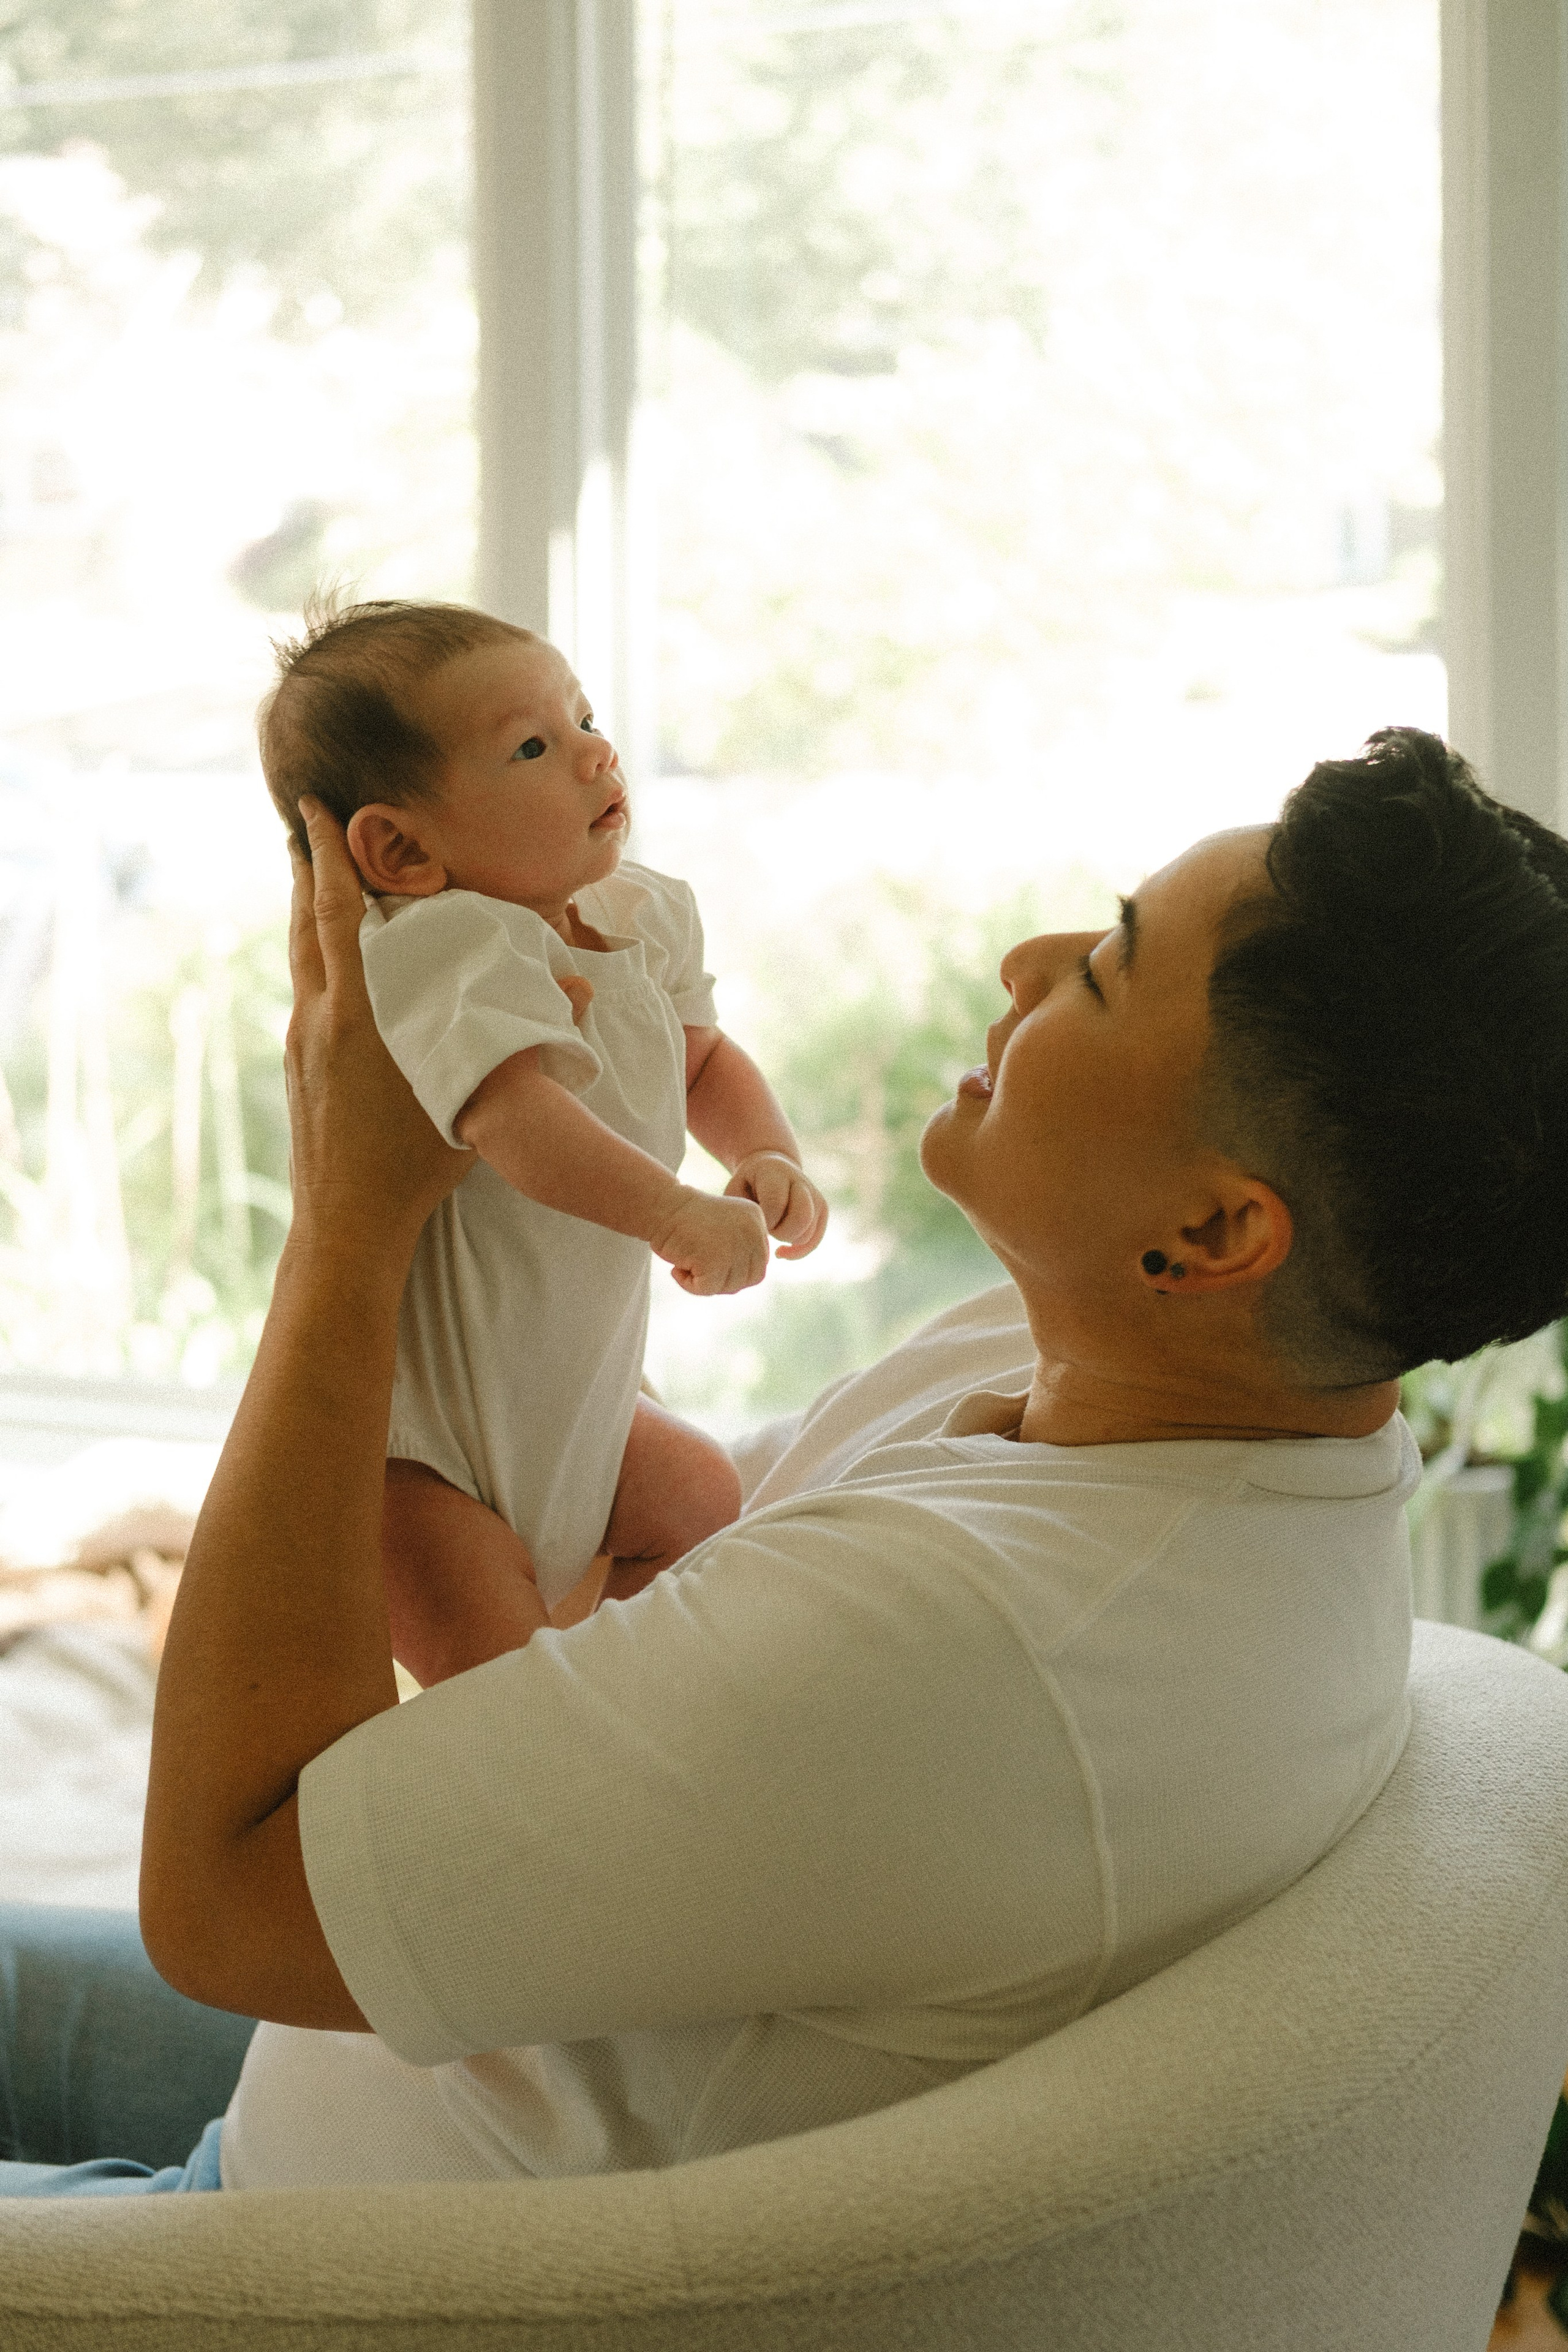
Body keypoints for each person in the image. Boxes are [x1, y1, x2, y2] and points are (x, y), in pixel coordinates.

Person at [4, 727, 1567, 2196]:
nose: (1024, 963)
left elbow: (225, 1902)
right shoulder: (1143, 1395)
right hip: (428, 2057)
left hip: (289, 2238)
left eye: (1100, 969)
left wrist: (354, 1221)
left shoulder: (977, 1649)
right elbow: (638, 1546)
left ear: (1213, 1233)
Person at [258, 598, 829, 1679]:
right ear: (402, 848)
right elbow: (516, 1120)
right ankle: (545, 1738)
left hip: (581, 1404)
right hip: (425, 1457)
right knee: (501, 1686)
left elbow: (704, 1058)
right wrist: (673, 1212)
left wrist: (764, 1154)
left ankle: (610, 1674)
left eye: (584, 719)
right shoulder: (442, 948)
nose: (594, 754)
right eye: (533, 746)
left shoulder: (642, 914)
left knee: (702, 1496)